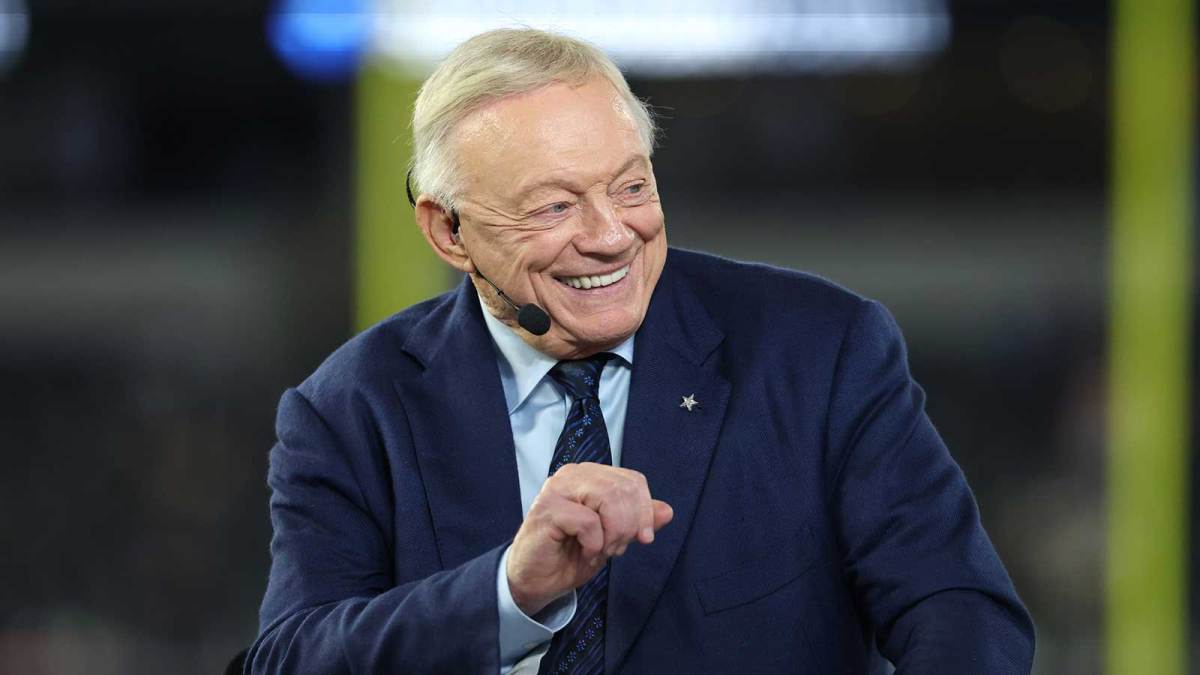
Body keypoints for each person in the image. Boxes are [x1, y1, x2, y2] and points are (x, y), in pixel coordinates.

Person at [245, 28, 1034, 675]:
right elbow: (288, 658)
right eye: (553, 206)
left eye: (631, 187)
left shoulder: (820, 351)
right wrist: (507, 592)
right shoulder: (352, 407)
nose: (611, 236)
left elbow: (962, 611)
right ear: (449, 231)